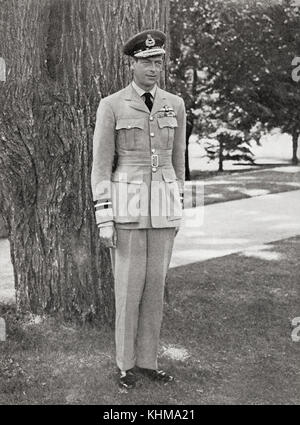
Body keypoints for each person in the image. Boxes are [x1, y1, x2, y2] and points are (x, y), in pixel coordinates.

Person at [91, 29, 186, 389]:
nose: (153, 68)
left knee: (155, 288)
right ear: (131, 63)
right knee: (128, 288)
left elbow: (178, 162)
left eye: (158, 62)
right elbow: (101, 167)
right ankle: (124, 366)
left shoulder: (174, 104)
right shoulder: (112, 105)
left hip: (163, 206)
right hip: (126, 205)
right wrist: (104, 217)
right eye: (146, 61)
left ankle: (148, 361)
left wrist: (180, 206)